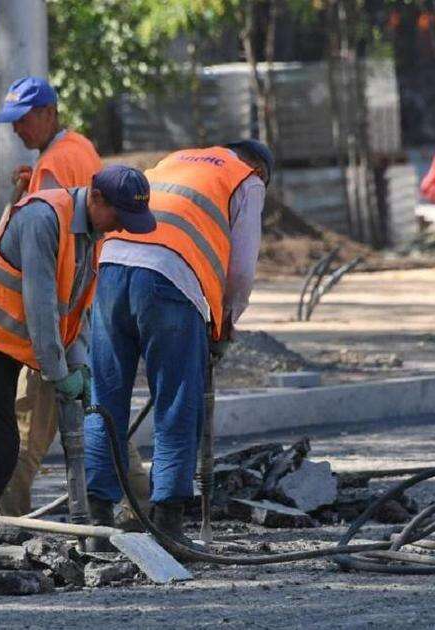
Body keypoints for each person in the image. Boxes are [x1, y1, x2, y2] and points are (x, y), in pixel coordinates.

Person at [82, 140, 271, 544]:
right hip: (169, 281)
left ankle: (96, 524)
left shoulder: (173, 160)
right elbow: (240, 272)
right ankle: (168, 523)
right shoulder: (247, 179)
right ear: (260, 168)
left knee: (105, 398)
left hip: (112, 268)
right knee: (176, 401)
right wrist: (224, 326)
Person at [0, 165, 155, 513]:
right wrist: (59, 373)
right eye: (119, 215)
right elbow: (41, 306)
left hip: (20, 341)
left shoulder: (92, 233)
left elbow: (74, 308)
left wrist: (80, 364)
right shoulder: (43, 219)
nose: (121, 225)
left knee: (12, 447)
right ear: (96, 197)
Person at [0, 76, 133, 517]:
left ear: (49, 113)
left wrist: (49, 345)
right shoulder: (79, 148)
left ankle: (7, 518)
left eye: (23, 120)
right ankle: (142, 504)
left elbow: (39, 261)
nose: (16, 130)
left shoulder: (53, 165)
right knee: (98, 412)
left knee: (30, 425)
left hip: (57, 311)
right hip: (84, 296)